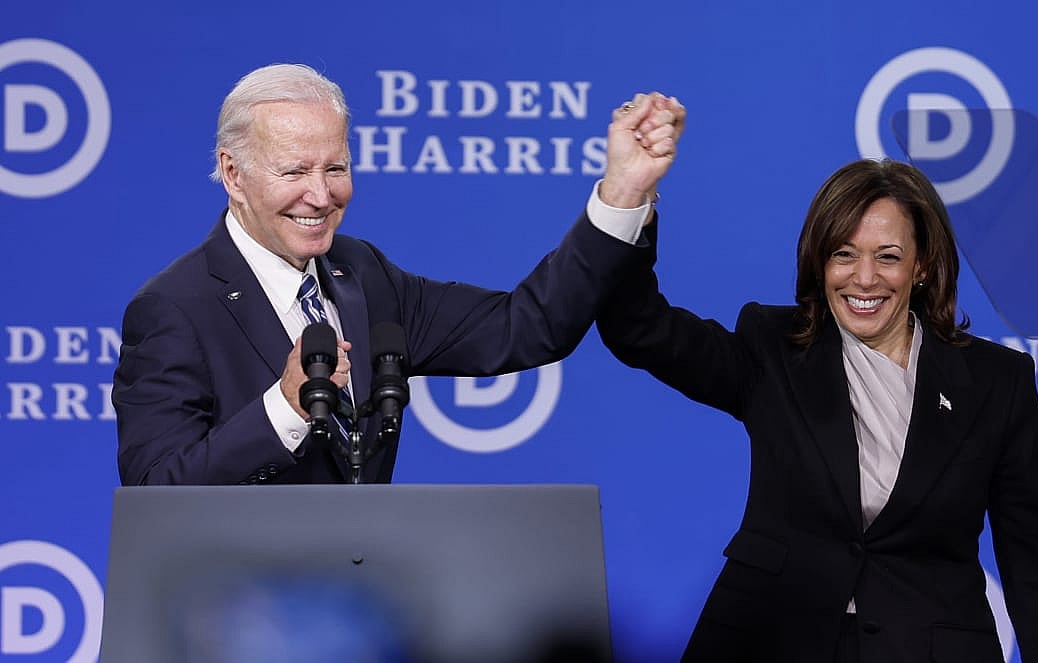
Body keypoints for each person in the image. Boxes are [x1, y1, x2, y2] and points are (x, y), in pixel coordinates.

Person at [595, 159, 1038, 662]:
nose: (864, 278)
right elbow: (640, 328)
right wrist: (630, 198)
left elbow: (1035, 564)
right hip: (770, 639)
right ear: (819, 262)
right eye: (843, 254)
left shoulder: (996, 381)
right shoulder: (772, 347)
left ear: (922, 264)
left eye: (888, 256)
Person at [113, 63, 685, 486]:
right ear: (232, 174)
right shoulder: (175, 308)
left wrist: (624, 192)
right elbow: (154, 490)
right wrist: (284, 407)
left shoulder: (362, 274)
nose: (321, 194)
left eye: (336, 167)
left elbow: (526, 326)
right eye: (294, 171)